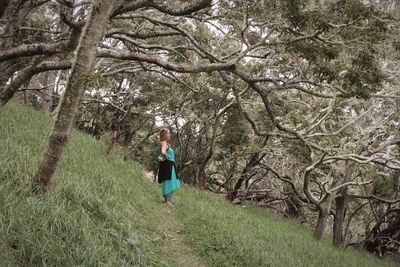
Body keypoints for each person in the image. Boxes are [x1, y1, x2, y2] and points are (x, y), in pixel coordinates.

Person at [157, 128, 180, 205]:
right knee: (168, 181)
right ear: (164, 135)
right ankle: (167, 201)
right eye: (168, 133)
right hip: (168, 165)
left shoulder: (166, 144)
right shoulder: (163, 143)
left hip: (170, 165)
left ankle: (169, 201)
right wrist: (166, 157)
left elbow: (159, 156)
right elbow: (163, 152)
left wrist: (163, 158)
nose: (169, 135)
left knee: (172, 181)